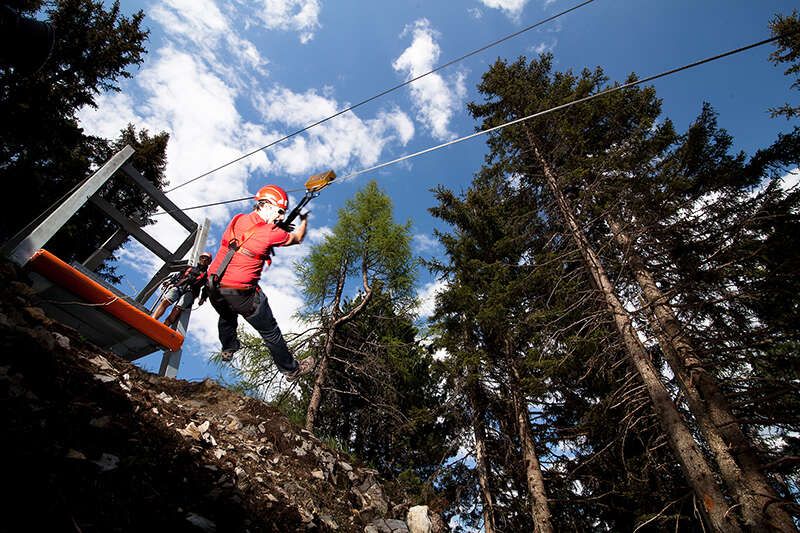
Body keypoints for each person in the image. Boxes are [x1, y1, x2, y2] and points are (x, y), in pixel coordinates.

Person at [206, 184, 315, 381]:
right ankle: (291, 370)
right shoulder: (272, 232)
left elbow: (251, 236)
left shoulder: (237, 219)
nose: (281, 217)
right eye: (280, 211)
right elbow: (297, 238)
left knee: (227, 313)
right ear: (265, 205)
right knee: (270, 332)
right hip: (242, 294)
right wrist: (304, 219)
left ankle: (228, 347)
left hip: (213, 286)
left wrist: (274, 227)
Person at [152, 252, 212, 328]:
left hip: (190, 292)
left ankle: (164, 326)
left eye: (206, 259)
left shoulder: (206, 276)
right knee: (165, 301)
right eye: (203, 257)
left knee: (177, 309)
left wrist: (203, 298)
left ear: (209, 262)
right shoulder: (189, 268)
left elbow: (206, 288)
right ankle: (153, 319)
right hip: (179, 286)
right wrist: (170, 281)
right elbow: (178, 276)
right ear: (200, 258)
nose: (204, 260)